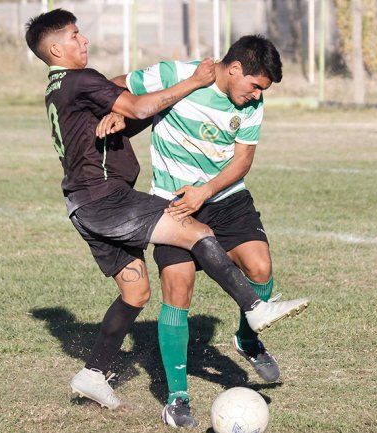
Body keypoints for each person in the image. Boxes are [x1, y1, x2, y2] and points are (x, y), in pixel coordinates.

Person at [24, 9, 309, 411]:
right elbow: (140, 107)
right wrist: (188, 84)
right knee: (196, 233)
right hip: (106, 199)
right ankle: (254, 307)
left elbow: (133, 111)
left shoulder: (60, 86)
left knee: (136, 292)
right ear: (56, 49)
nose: (84, 40)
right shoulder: (82, 79)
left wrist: (118, 111)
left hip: (84, 203)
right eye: (75, 35)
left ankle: (92, 373)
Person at [108, 35, 290, 428]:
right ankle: (177, 398)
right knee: (178, 286)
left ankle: (247, 340)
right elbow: (115, 85)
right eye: (255, 85)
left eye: (263, 90)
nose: (257, 95)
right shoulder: (175, 74)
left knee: (260, 268)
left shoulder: (252, 103)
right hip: (171, 203)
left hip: (226, 199)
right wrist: (117, 111)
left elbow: (243, 160)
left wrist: (205, 191)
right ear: (235, 68)